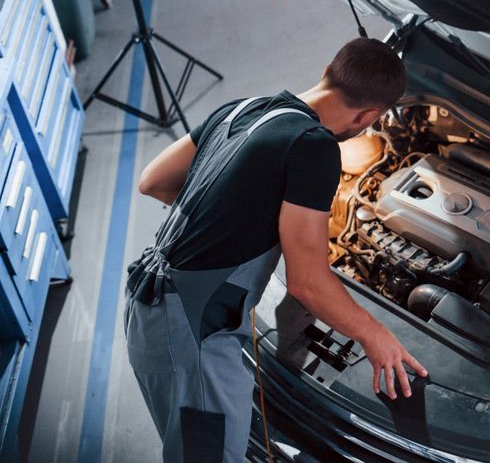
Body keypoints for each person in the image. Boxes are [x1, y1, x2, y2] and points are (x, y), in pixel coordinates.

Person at [125, 37, 427, 462]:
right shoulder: (313, 146)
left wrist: (234, 214)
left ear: (328, 69)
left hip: (153, 306)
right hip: (193, 334)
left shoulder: (241, 107)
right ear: (369, 116)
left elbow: (153, 180)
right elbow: (307, 282)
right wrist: (374, 334)